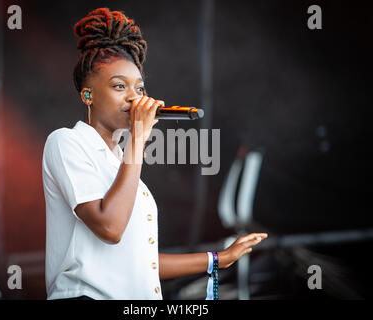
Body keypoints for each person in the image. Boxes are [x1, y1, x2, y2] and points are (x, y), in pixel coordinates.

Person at [42, 7, 267, 300]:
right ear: (88, 95)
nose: (134, 97)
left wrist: (218, 259)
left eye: (139, 88)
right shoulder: (66, 142)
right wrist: (137, 139)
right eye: (119, 86)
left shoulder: (121, 163)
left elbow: (139, 263)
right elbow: (110, 227)